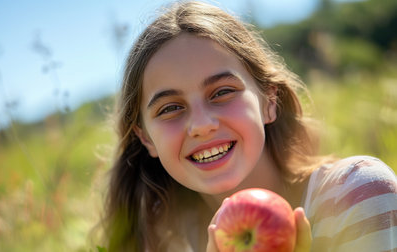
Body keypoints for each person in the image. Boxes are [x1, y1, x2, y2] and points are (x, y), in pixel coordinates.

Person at [93, 1, 397, 251]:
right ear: (146, 139)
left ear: (268, 100)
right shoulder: (160, 243)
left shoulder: (356, 196)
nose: (201, 125)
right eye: (170, 108)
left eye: (222, 92)